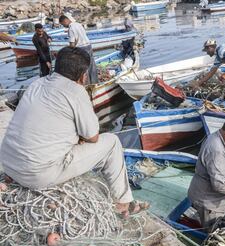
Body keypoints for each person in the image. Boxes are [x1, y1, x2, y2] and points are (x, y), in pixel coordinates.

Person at [0, 47, 141, 217]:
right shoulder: (76, 91)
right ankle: (123, 203)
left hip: (9, 164)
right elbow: (93, 136)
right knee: (111, 142)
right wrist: (80, 136)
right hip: (37, 174)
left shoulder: (37, 83)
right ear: (83, 75)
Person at [59, 15, 98, 84]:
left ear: (65, 21)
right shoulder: (78, 24)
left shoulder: (71, 28)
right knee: (92, 65)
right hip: (88, 45)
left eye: (63, 24)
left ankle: (87, 85)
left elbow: (72, 44)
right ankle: (95, 82)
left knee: (84, 67)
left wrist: (69, 53)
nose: (64, 26)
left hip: (81, 48)